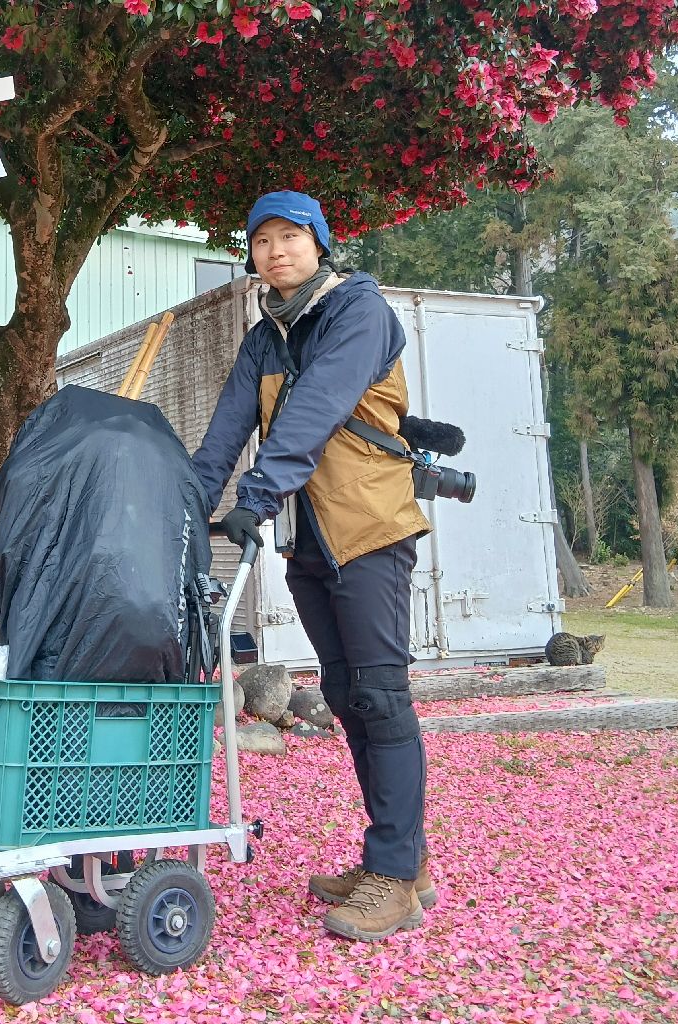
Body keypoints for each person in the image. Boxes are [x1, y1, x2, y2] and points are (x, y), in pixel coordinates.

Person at [191, 190, 437, 942]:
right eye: (261, 239)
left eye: (290, 236)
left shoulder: (357, 311)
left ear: (319, 243)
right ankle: (403, 859)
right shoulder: (263, 335)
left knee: (381, 696)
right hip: (309, 541)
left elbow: (318, 408)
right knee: (347, 694)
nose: (275, 250)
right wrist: (185, 508)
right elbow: (229, 426)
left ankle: (394, 876)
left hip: (367, 530)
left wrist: (256, 497)